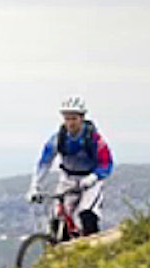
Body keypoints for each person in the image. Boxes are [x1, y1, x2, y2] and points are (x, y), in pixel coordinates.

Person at [27, 95, 114, 236]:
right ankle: (61, 251)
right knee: (59, 218)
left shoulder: (94, 139)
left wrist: (94, 177)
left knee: (87, 215)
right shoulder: (58, 139)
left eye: (74, 118)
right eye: (67, 119)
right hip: (68, 178)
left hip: (90, 180)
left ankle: (93, 249)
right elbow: (44, 163)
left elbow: (106, 163)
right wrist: (35, 185)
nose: (70, 123)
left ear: (82, 118)